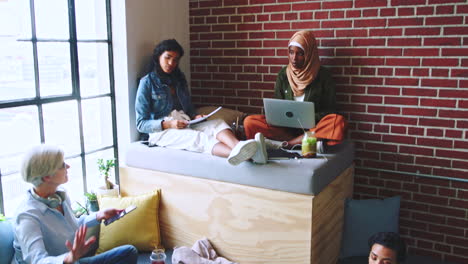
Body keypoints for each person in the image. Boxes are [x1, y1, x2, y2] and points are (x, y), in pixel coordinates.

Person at [135, 39, 267, 165]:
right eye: (167, 57)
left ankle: (239, 146)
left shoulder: (179, 80)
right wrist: (168, 124)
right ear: (158, 57)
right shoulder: (147, 83)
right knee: (198, 137)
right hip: (160, 132)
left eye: (175, 60)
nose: (171, 63)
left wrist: (195, 117)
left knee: (217, 123)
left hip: (184, 123)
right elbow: (141, 124)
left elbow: (188, 108)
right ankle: (249, 156)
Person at [12, 145, 139, 264]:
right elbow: (37, 260)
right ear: (47, 177)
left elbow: (71, 225)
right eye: (62, 165)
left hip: (74, 261)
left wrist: (99, 215)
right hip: (67, 261)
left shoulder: (60, 195)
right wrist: (69, 258)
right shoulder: (26, 216)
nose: (68, 166)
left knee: (129, 252)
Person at [243, 30, 337, 149]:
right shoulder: (283, 74)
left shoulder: (323, 76)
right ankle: (301, 142)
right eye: (291, 52)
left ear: (309, 54)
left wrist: (308, 118)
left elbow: (331, 110)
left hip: (313, 128)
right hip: (285, 129)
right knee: (249, 122)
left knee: (336, 121)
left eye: (300, 53)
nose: (294, 58)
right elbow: (278, 106)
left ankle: (289, 144)